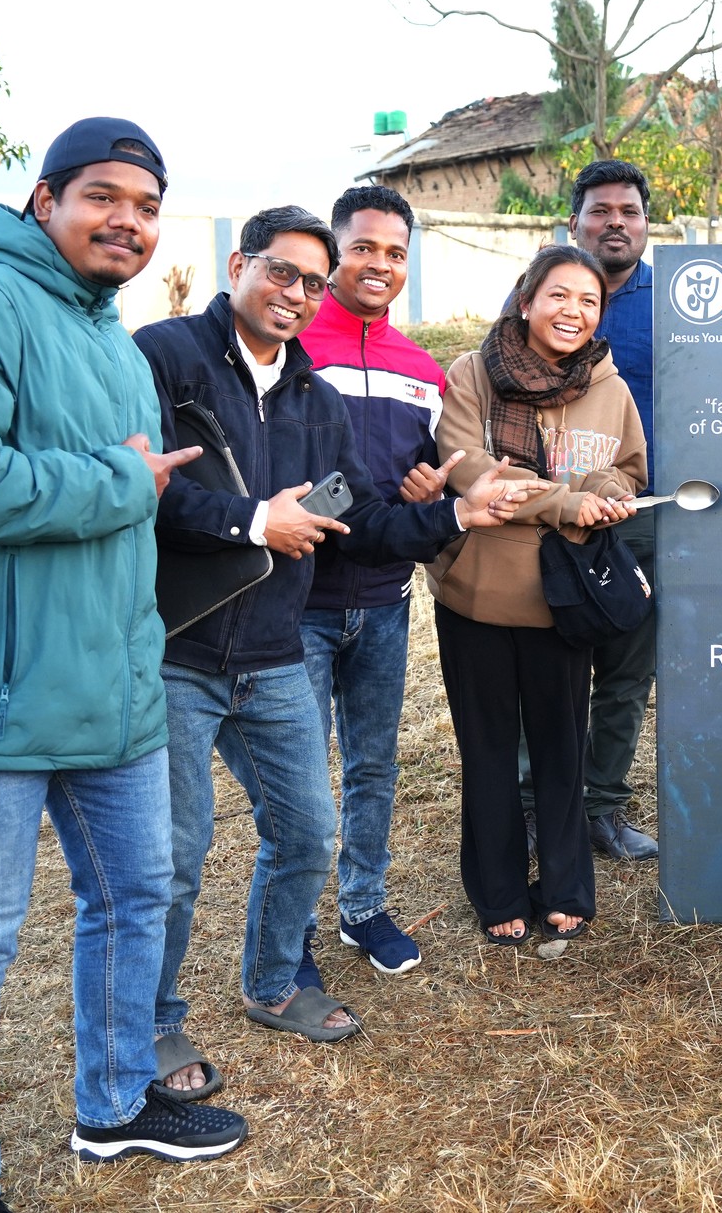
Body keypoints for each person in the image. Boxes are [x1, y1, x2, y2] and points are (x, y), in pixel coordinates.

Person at [0, 118, 248, 1211]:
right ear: (45, 202)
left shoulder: (112, 339)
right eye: (103, 196)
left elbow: (129, 508)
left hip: (109, 692)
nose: (128, 220)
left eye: (147, 205)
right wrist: (120, 483)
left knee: (135, 897)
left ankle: (116, 1103)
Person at [135, 205, 521, 1097]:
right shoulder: (167, 356)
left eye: (312, 282)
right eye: (282, 271)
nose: (298, 293)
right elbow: (139, 488)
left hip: (272, 649)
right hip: (180, 648)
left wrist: (456, 514)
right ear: (237, 264)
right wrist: (252, 519)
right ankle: (153, 1022)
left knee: (306, 830)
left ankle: (274, 982)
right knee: (177, 852)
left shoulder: (315, 397)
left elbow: (362, 519)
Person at [430, 244, 646, 945]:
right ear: (526, 301)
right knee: (489, 749)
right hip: (479, 593)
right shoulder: (473, 374)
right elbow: (471, 472)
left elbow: (628, 468)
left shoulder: (610, 386)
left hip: (563, 596)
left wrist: (606, 490)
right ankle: (497, 891)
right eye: (558, 295)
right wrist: (566, 502)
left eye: (589, 300)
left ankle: (565, 885)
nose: (573, 311)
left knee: (561, 748)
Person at [298, 185, 452, 976]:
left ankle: (362, 906)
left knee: (372, 765)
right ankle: (288, 927)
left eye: (395, 252)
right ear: (334, 252)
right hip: (296, 604)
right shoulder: (292, 347)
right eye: (363, 247)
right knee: (297, 781)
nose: (379, 264)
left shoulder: (423, 371)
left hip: (385, 603)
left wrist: (431, 492)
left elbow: (429, 477)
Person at [518, 159, 661, 861]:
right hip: (555, 513)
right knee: (548, 666)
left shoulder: (675, 303)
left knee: (627, 671)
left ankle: (601, 805)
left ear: (647, 223)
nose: (615, 223)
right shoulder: (541, 299)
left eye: (628, 211)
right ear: (574, 222)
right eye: (600, 211)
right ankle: (532, 808)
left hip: (649, 511)